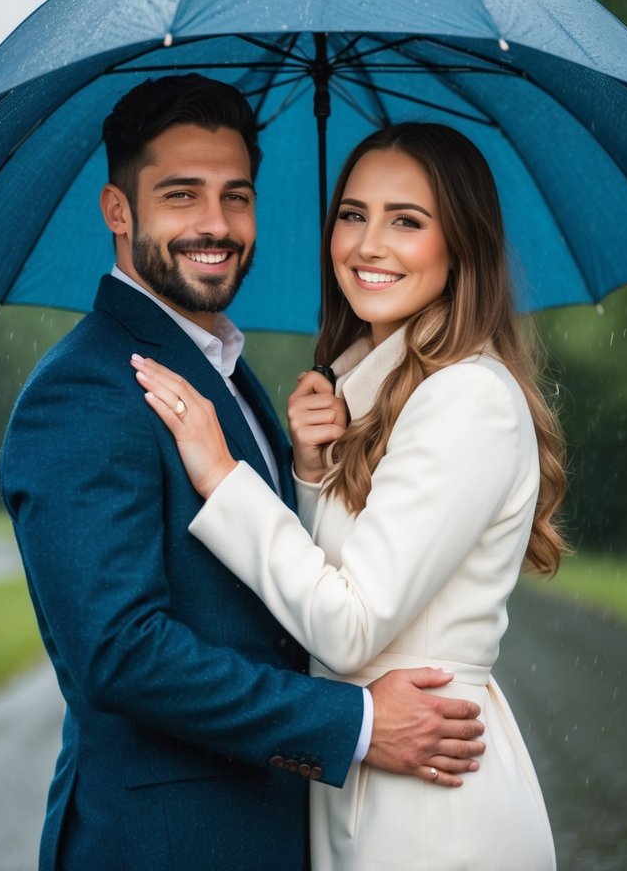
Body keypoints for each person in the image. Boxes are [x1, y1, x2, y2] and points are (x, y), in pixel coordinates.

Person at [0, 79, 487, 871]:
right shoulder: (84, 392)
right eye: (180, 196)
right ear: (117, 210)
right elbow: (120, 652)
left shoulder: (227, 372)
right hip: (167, 843)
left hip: (269, 830)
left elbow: (264, 594)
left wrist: (306, 470)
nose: (216, 226)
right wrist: (355, 723)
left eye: (237, 196)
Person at [133, 120, 567, 871]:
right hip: (371, 793)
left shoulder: (465, 399)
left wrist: (223, 476)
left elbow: (347, 626)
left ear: (460, 244)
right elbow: (325, 586)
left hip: (433, 810)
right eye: (352, 215)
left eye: (406, 221)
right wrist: (311, 470)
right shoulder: (383, 394)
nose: (367, 245)